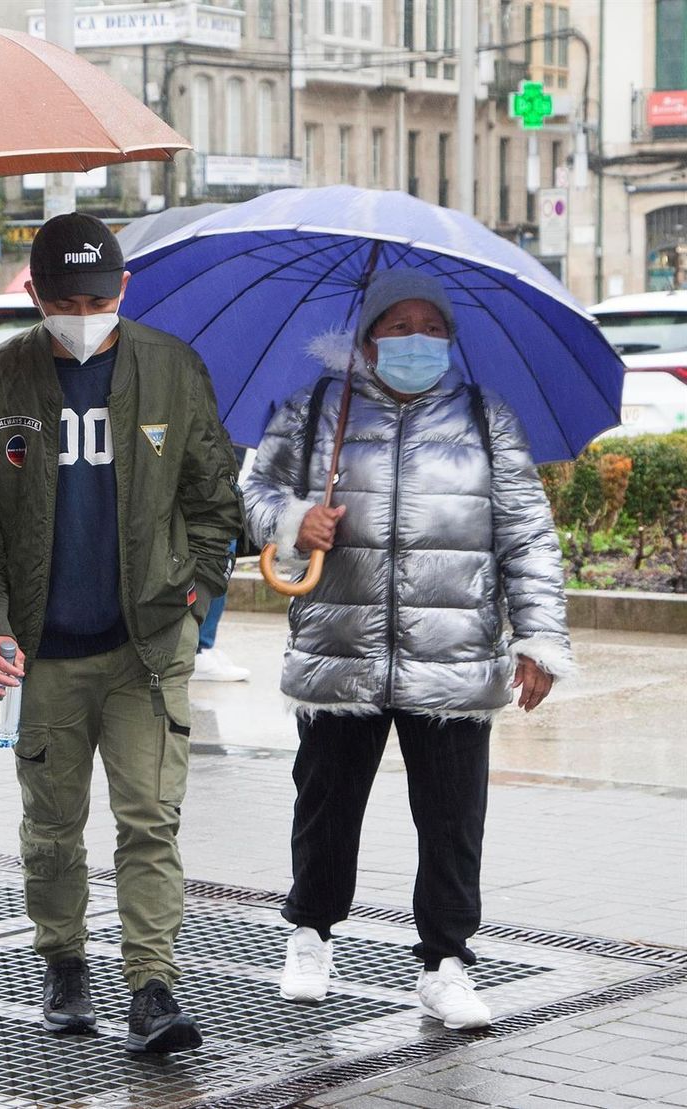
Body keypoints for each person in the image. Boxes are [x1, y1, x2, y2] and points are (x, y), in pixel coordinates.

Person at [0, 212, 242, 1054]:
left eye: (97, 298)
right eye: (66, 299)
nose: (84, 313)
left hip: (146, 647)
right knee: (53, 823)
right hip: (43, 653)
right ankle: (64, 960)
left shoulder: (172, 371)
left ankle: (152, 983)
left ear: (124, 292)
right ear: (33, 294)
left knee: (150, 817)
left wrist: (192, 602)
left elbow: (217, 504)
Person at [242, 268, 573, 1031]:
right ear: (368, 337)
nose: (416, 338)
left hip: (454, 656)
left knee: (453, 817)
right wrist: (296, 518)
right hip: (339, 648)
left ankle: (446, 963)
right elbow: (253, 493)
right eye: (399, 325)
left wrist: (539, 637)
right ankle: (309, 935)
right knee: (326, 805)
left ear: (449, 339)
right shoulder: (316, 409)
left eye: (431, 326)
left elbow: (527, 535)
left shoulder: (488, 420)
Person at [192, 446, 253, 682]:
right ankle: (197, 648)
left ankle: (204, 645)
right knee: (215, 554)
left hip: (225, 466)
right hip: (210, 475)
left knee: (224, 553)